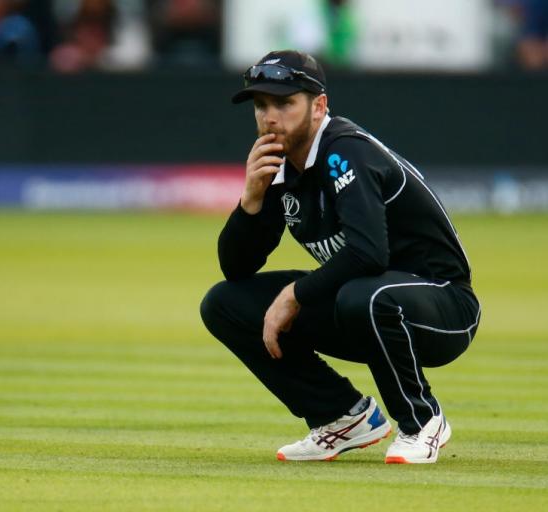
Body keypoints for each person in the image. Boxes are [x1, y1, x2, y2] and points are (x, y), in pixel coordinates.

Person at [200, 50, 481, 464]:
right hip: (363, 301)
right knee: (225, 304)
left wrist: (295, 293)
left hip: (444, 307)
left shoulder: (345, 151)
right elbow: (237, 269)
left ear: (319, 106)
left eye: (284, 103)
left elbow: (368, 253)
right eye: (261, 105)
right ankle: (342, 416)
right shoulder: (279, 163)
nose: (270, 117)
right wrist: (251, 200)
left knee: (365, 295)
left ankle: (422, 421)